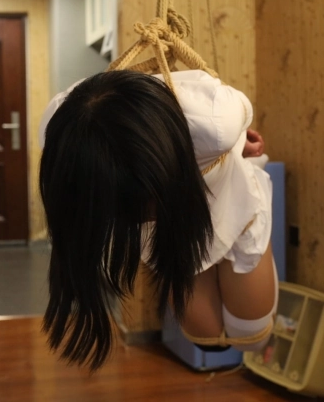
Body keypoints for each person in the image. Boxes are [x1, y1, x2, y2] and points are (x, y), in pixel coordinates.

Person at [39, 69, 278, 370]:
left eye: (143, 206)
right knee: (208, 340)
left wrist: (235, 142)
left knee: (251, 337)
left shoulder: (217, 120)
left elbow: (239, 117)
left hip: (233, 204)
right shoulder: (62, 137)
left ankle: (250, 177)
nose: (141, 217)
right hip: (178, 227)